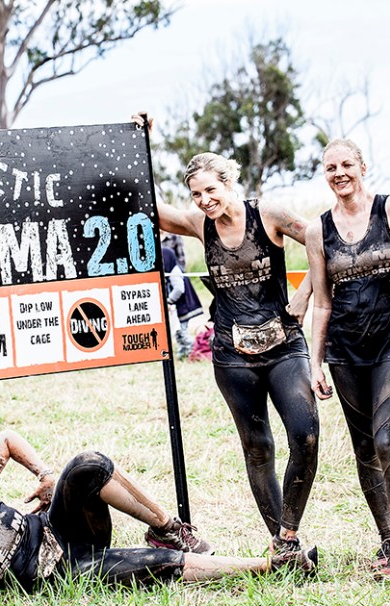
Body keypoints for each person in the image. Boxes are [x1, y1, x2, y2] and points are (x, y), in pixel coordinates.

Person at [135, 114, 319, 564]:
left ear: (229, 182)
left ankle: (289, 528)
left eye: (211, 190)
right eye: (197, 194)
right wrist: (145, 145)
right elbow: (151, 205)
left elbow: (322, 241)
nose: (204, 200)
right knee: (258, 447)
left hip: (283, 345)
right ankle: (284, 544)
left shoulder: (268, 215)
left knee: (306, 435)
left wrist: (304, 294)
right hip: (232, 354)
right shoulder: (201, 225)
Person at [0, 430, 318, 604]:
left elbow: (7, 438)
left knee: (86, 465)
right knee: (154, 565)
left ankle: (166, 527)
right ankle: (273, 565)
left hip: (59, 526)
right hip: (60, 572)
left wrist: (44, 475)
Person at [306, 139, 390, 579]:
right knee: (365, 448)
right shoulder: (318, 231)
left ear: (363, 166)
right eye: (331, 167)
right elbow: (321, 301)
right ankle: (386, 539)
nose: (339, 173)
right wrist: (315, 362)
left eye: (346, 164)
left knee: (388, 441)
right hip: (345, 350)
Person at [161, 244, 203, 359]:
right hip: (177, 302)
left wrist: (169, 301)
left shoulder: (168, 259)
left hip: (183, 301)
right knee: (178, 331)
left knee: (182, 330)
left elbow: (179, 288)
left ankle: (196, 350)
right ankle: (183, 353)